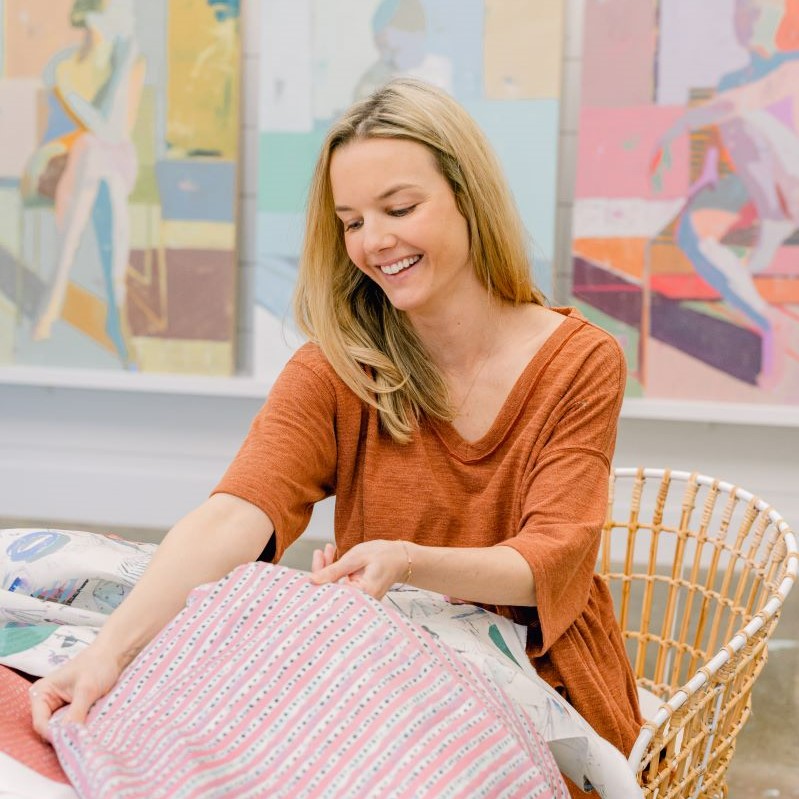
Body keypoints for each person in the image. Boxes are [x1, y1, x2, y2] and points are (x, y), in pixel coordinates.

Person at [29, 78, 641, 797]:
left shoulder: (579, 359)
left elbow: (550, 557)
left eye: (399, 208)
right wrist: (108, 653)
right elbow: (237, 510)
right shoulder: (338, 365)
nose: (373, 241)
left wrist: (406, 559)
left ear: (468, 198)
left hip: (541, 689)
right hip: (390, 684)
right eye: (350, 220)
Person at [652, 0, 799, 389]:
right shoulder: (733, 78)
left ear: (781, 16)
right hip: (753, 188)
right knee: (692, 235)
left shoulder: (792, 65)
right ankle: (769, 322)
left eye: (756, 11)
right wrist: (707, 174)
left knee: (746, 115)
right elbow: (723, 136)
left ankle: (776, 220)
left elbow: (745, 103)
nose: (746, 21)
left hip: (792, 181)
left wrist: (673, 131)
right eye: (740, 11)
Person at [21, 0, 144, 367]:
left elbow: (117, 131)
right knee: (92, 154)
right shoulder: (63, 67)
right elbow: (96, 128)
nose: (128, 18)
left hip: (117, 161)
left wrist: (122, 67)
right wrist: (119, 68)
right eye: (120, 10)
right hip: (68, 161)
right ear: (94, 16)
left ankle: (53, 296)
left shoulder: (132, 63)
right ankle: (116, 312)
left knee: (97, 156)